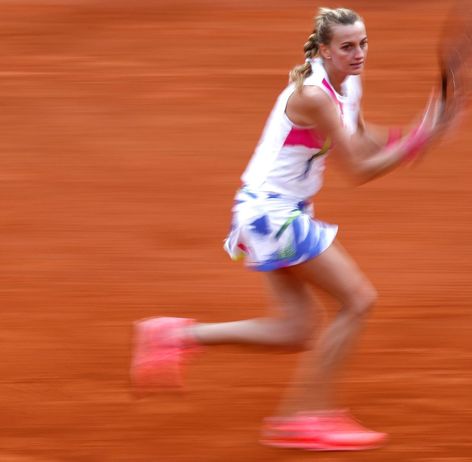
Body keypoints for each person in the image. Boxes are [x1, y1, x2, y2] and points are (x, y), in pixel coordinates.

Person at [131, 6, 448, 452]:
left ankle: (174, 336)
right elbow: (357, 167)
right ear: (323, 50)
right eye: (347, 46)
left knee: (295, 331)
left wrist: (415, 133)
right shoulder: (313, 95)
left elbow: (355, 136)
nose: (358, 54)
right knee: (358, 300)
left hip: (271, 210)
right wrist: (416, 142)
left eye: (363, 44)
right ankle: (307, 417)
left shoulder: (347, 83)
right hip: (271, 213)